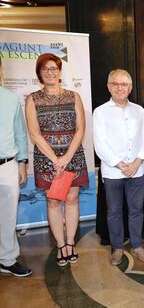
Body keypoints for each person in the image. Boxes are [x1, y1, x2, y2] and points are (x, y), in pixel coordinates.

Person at [25, 53, 89, 267]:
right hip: (46, 160)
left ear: (60, 71)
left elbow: (80, 129)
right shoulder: (32, 99)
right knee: (53, 201)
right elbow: (34, 134)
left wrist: (66, 157)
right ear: (39, 74)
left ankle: (71, 243)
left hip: (73, 156)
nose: (50, 72)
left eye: (53, 68)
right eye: (45, 69)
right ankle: (60, 245)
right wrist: (55, 159)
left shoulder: (74, 96)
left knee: (72, 200)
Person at [93, 69, 144, 266]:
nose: (120, 87)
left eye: (124, 84)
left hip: (137, 170)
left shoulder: (139, 111)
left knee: (136, 210)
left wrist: (135, 163)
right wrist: (120, 164)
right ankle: (117, 248)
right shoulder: (100, 112)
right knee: (114, 211)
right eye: (115, 84)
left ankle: (137, 245)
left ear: (130, 87)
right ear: (109, 87)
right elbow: (100, 144)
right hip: (112, 172)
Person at [0, 57, 32, 277]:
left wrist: (22, 162)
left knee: (8, 215)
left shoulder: (10, 99)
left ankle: (7, 259)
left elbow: (20, 133)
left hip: (7, 165)